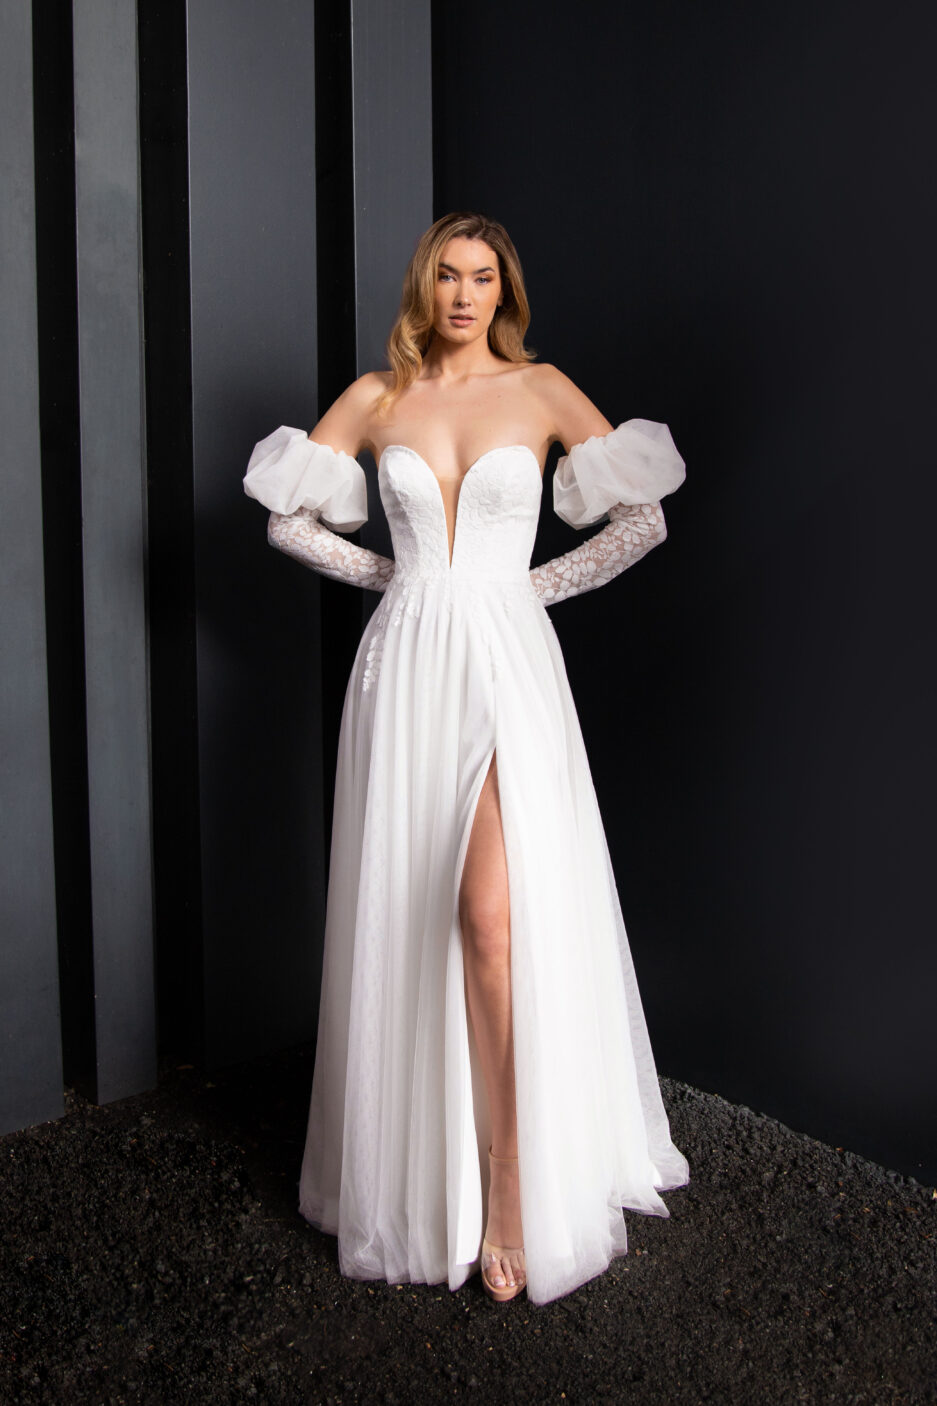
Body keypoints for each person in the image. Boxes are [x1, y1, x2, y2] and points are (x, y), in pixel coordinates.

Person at [243, 211, 689, 1306]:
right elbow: (286, 524)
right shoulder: (375, 398)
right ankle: (418, 1173)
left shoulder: (540, 390)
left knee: (490, 919)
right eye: (447, 274)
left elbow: (640, 521)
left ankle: (511, 1181)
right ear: (423, 284)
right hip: (404, 668)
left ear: (504, 292)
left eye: (482, 277)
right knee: (407, 910)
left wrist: (521, 592)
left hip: (505, 660)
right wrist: (399, 584)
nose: (462, 294)